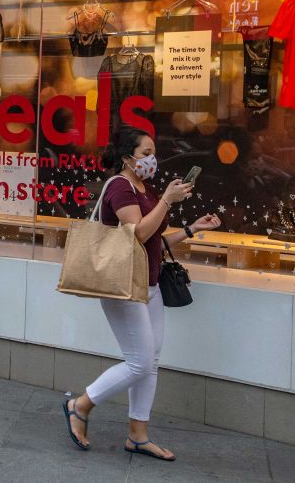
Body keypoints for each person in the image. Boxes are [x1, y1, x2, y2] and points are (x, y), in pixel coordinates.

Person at [62, 126, 221, 461]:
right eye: (145, 154)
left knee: (150, 362)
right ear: (126, 158)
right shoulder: (120, 187)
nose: (152, 159)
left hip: (149, 285)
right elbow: (137, 233)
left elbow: (154, 243)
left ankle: (138, 435)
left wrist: (192, 229)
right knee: (140, 362)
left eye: (153, 152)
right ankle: (80, 405)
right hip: (123, 288)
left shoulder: (143, 187)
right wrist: (166, 200)